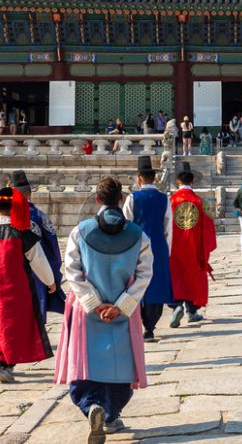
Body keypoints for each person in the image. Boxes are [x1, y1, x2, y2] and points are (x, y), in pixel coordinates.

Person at [55, 178, 153, 442]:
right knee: (120, 366)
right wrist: (121, 305)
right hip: (122, 313)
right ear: (121, 200)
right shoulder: (138, 235)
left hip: (87, 313)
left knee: (85, 363)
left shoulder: (81, 231)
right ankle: (110, 414)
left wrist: (94, 304)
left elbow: (72, 271)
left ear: (97, 200)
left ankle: (91, 405)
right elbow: (144, 274)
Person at [0, 186, 57, 383]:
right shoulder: (22, 235)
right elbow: (39, 261)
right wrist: (50, 282)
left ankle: (2, 362)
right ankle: (5, 364)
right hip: (21, 292)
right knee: (17, 327)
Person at [121, 156, 173, 343]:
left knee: (137, 283)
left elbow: (125, 224)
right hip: (158, 246)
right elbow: (168, 227)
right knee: (156, 284)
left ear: (139, 178)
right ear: (154, 179)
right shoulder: (164, 199)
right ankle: (150, 327)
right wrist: (167, 250)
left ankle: (137, 322)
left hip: (136, 246)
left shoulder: (132, 198)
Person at [11, 170, 66, 321]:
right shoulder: (40, 216)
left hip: (11, 271)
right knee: (36, 312)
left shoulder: (5, 216)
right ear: (29, 193)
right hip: (37, 271)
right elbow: (53, 245)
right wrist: (53, 273)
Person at [168, 162, 215, 327]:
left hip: (174, 248)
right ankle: (192, 311)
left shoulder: (170, 201)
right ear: (192, 182)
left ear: (177, 183)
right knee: (193, 278)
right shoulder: (201, 202)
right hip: (195, 248)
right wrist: (206, 250)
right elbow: (209, 230)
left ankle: (176, 306)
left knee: (176, 277)